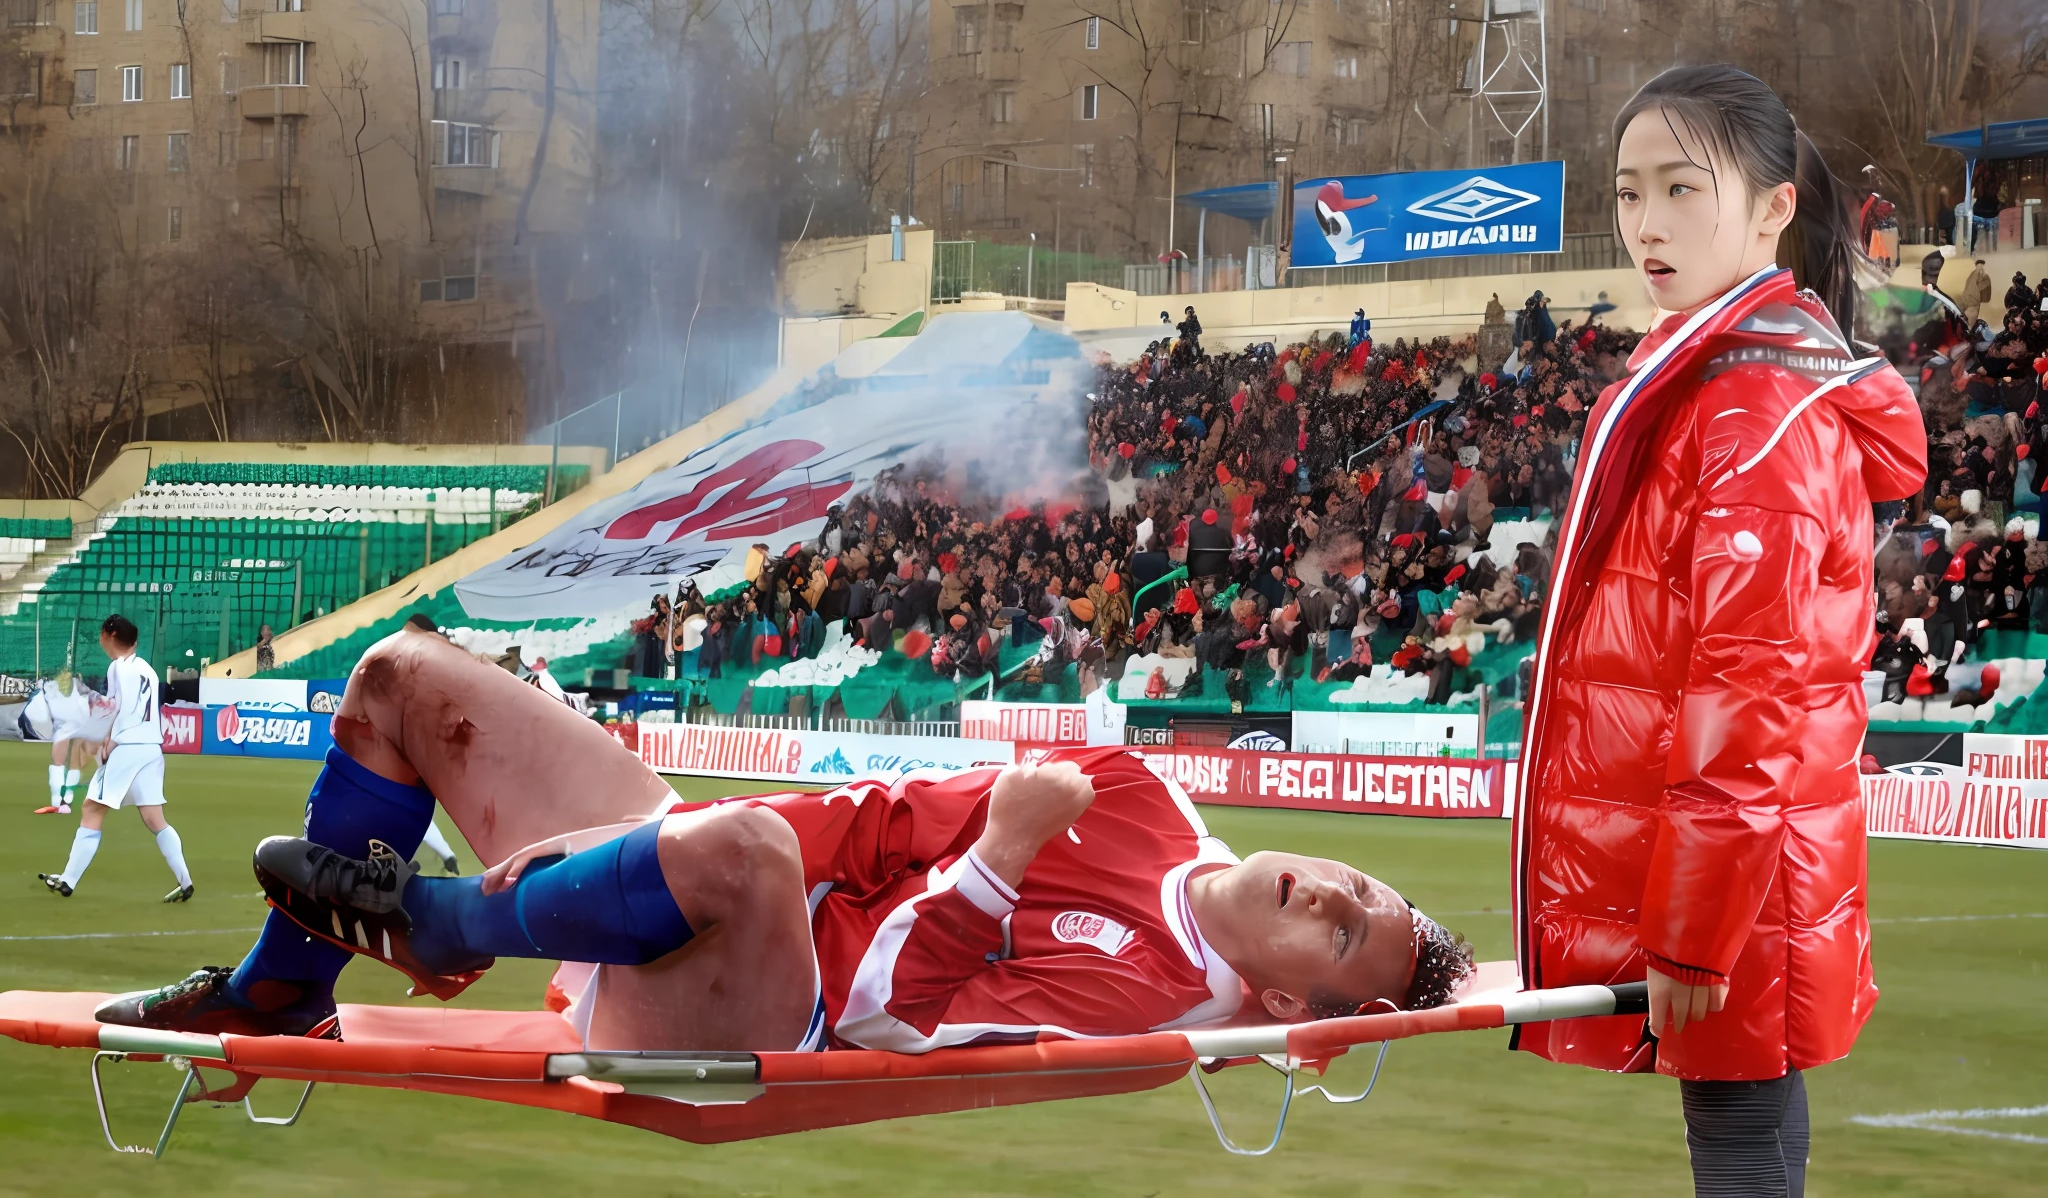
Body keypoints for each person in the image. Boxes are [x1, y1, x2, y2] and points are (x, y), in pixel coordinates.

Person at [95, 626, 1472, 1050]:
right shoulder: (1141, 796)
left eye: (1339, 929)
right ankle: (281, 990)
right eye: (1358, 884)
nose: (1329, 885)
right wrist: (615, 850)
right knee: (401, 681)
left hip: (758, 1014)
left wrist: (995, 864)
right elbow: (874, 825)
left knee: (747, 851)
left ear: (1290, 995)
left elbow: (889, 1022)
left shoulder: (1157, 1004)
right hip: (680, 879)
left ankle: (446, 926)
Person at [1516, 66, 1924, 1197]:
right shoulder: (1714, 378)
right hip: (1750, 868)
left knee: (1741, 1148)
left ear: (1772, 208)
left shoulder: (1751, 407)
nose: (1646, 226)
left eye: (1681, 191)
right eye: (1626, 192)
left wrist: (1696, 925)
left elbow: (1751, 687)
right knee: (1735, 1139)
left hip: (1743, 878)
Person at [39, 615, 195, 902]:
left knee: (92, 809)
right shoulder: (146, 669)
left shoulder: (117, 667)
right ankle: (185, 881)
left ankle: (68, 881)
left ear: (109, 635)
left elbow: (118, 708)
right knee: (154, 817)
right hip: (152, 748)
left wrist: (108, 740)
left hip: (129, 747)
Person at [24, 669, 106, 816]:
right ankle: (67, 797)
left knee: (60, 752)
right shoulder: (80, 684)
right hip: (79, 717)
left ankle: (57, 799)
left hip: (65, 718)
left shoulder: (51, 687)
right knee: (75, 753)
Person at [1961, 258, 1993, 326]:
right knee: (1971, 323)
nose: (1981, 267)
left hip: (1971, 301)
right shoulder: (1977, 275)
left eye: (1981, 265)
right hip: (1972, 302)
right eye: (1979, 265)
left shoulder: (1977, 275)